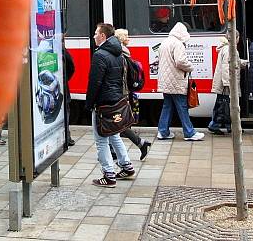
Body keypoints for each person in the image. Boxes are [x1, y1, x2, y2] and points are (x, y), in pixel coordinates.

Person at [86, 23, 135, 187]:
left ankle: (108, 175)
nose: (93, 36)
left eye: (95, 33)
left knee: (101, 140)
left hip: (103, 102)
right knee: (114, 134)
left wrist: (89, 103)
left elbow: (95, 82)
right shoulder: (118, 52)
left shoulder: (100, 55)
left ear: (103, 36)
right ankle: (127, 166)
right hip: (116, 100)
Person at [156, 22, 205, 141]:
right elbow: (180, 61)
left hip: (165, 81)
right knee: (182, 107)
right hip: (176, 81)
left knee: (167, 106)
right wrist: (190, 66)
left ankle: (163, 132)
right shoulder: (178, 44)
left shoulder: (164, 42)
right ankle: (189, 133)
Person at [114, 29, 150, 159]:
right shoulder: (125, 53)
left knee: (116, 123)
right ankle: (140, 144)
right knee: (117, 123)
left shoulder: (120, 54)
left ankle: (139, 144)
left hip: (121, 94)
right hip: (126, 92)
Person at [209, 33, 248, 135]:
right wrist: (228, 84)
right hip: (227, 84)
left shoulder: (226, 48)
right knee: (226, 106)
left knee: (224, 106)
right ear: (235, 38)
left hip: (225, 83)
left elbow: (234, 62)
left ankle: (229, 126)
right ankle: (217, 125)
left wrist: (244, 63)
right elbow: (227, 67)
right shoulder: (229, 49)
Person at [61, 34, 75, 146]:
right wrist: (65, 79)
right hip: (63, 89)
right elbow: (71, 67)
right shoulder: (63, 50)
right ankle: (67, 137)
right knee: (66, 112)